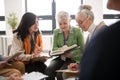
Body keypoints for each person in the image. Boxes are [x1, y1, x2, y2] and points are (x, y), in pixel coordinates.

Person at [79, 0, 120, 80]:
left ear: (89, 19)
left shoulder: (104, 35)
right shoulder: (91, 36)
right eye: (78, 23)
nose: (80, 26)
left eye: (81, 22)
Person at [44, 11, 84, 80]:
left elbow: (82, 49)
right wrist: (61, 49)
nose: (62, 26)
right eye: (60, 24)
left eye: (65, 23)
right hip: (60, 58)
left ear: (69, 20)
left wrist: (72, 54)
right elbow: (54, 48)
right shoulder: (56, 32)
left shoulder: (77, 31)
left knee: (61, 74)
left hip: (73, 58)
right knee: (48, 71)